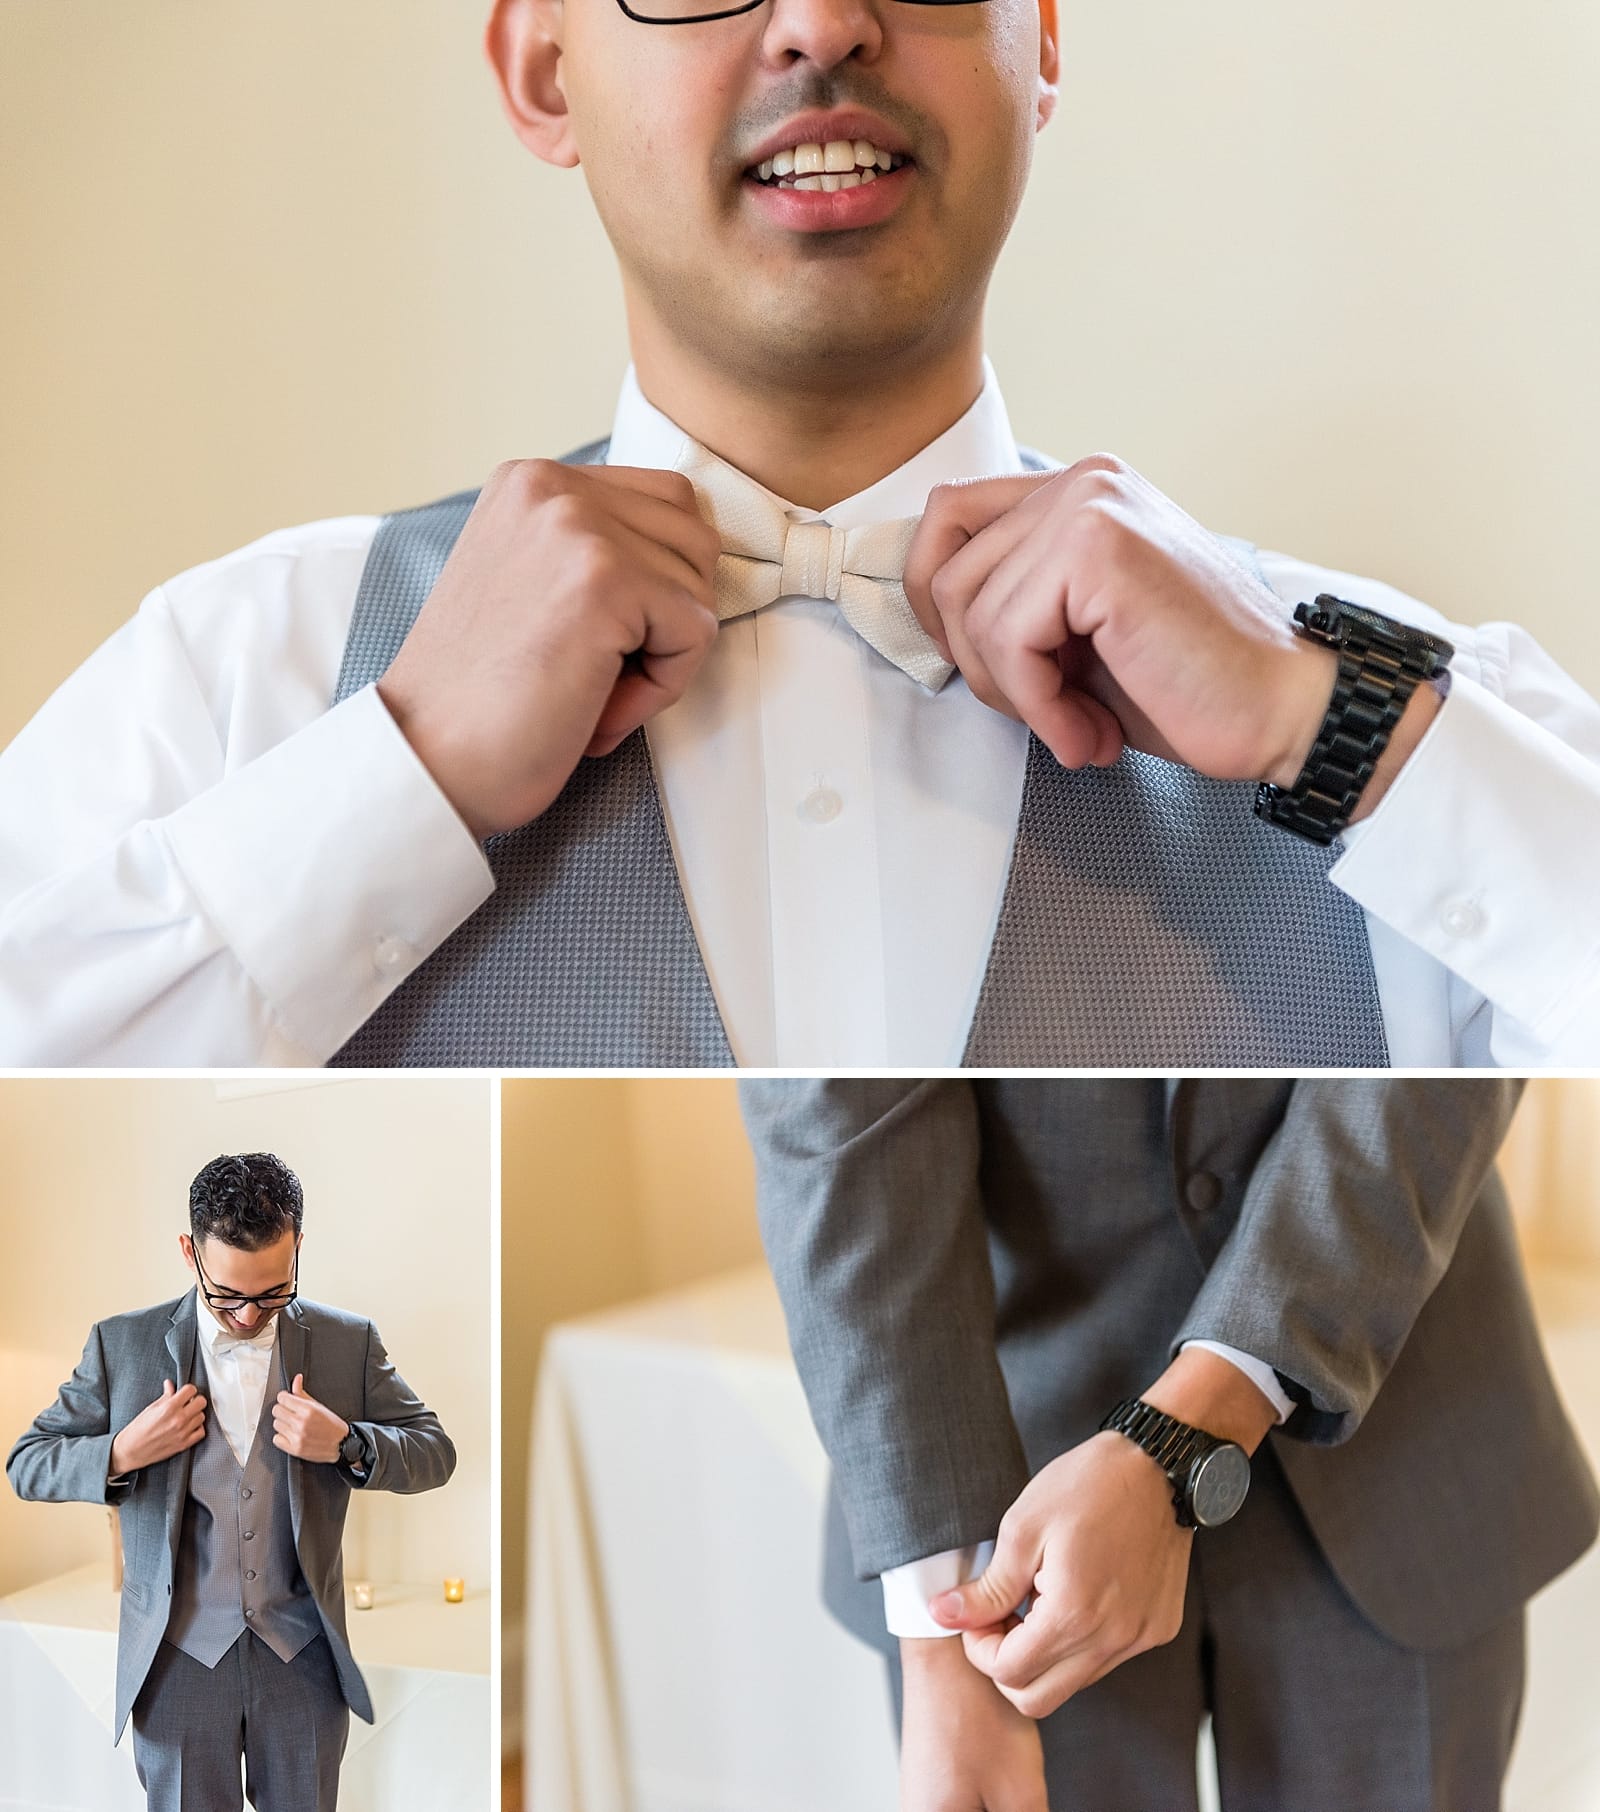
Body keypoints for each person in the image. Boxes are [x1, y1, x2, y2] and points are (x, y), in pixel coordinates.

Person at [2, 1, 1597, 1067]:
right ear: (540, 69)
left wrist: (1342, 733)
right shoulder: (238, 672)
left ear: (1040, 40)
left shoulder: (1401, 701)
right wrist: (394, 773)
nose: (826, 18)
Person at [741, 1077, 1600, 1811]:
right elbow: (836, 1111)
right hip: (1004, 1499)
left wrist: (1183, 1438)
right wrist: (943, 1627)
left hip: (1397, 1419)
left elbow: (1440, 1017)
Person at [6, 1152, 457, 1812]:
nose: (249, 1316)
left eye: (273, 1292)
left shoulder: (348, 1343)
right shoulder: (120, 1345)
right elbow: (27, 1462)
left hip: (302, 1658)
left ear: (298, 1244)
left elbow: (434, 1451)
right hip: (177, 1662)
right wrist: (123, 1451)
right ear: (189, 1252)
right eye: (228, 1295)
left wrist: (348, 1443)